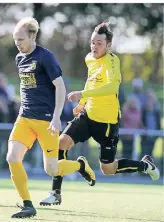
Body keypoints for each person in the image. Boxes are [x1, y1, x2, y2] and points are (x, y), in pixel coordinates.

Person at [40, 22, 160, 206]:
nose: (94, 46)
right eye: (93, 42)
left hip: (107, 123)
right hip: (87, 116)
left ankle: (146, 165)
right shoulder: (89, 58)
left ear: (109, 45)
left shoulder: (112, 61)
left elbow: (112, 87)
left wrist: (82, 94)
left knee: (108, 169)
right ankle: (56, 193)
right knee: (61, 143)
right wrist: (82, 103)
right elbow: (91, 81)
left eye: (99, 43)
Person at [7, 18, 95, 218]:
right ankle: (27, 204)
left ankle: (80, 165)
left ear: (32, 36)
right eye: (15, 40)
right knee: (12, 158)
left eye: (20, 39)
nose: (17, 43)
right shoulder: (19, 58)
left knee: (52, 169)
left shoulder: (46, 57)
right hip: (25, 117)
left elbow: (61, 87)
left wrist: (56, 117)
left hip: (46, 121)